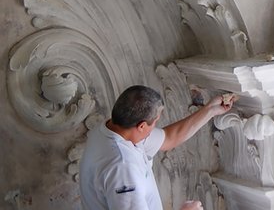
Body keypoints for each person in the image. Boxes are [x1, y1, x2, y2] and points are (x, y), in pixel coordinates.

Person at [79, 85, 237, 210]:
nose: (155, 126)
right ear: (141, 126)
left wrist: (210, 109)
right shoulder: (122, 167)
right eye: (154, 122)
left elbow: (169, 137)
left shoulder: (112, 128)